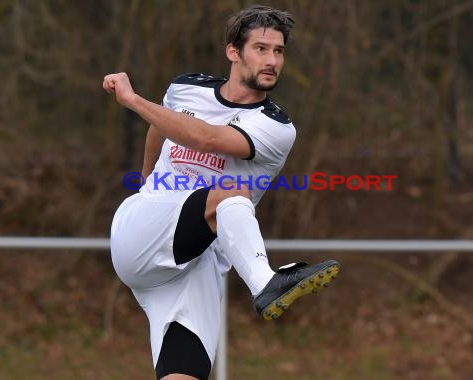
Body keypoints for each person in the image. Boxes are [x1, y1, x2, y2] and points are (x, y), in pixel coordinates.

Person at [103, 5, 340, 380]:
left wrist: (134, 100)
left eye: (278, 51)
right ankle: (264, 283)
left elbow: (205, 137)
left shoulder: (276, 127)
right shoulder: (186, 88)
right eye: (261, 48)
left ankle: (264, 283)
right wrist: (147, 183)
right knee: (231, 189)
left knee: (185, 373)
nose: (272, 60)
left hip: (198, 262)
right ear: (233, 51)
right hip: (143, 227)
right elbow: (161, 127)